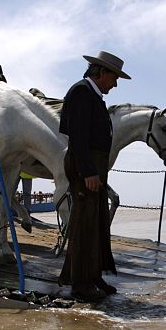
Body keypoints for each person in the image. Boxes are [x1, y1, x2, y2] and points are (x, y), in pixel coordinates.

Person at [58, 51, 130, 302]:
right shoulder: (81, 92)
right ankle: (80, 284)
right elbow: (77, 136)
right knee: (84, 224)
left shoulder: (94, 96)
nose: (116, 83)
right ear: (101, 72)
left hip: (95, 166)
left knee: (97, 222)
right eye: (114, 77)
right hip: (85, 166)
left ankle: (93, 275)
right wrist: (88, 171)